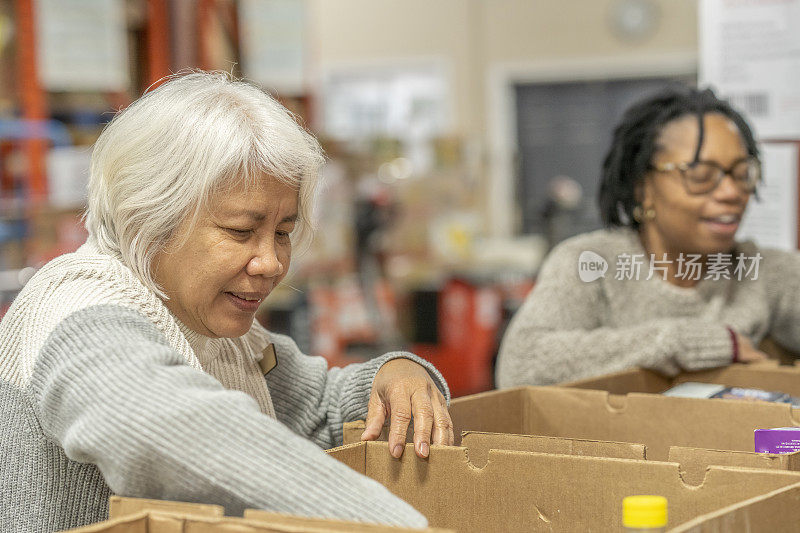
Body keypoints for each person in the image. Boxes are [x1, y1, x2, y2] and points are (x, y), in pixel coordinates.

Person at [0, 71, 453, 531]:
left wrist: (396, 373)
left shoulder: (215, 331)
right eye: (240, 232)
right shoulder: (77, 307)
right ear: (151, 218)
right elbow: (161, 431)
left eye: (282, 233)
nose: (272, 263)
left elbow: (319, 409)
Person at [496, 86, 800, 388]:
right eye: (700, 175)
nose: (732, 192)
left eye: (741, 172)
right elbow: (521, 365)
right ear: (643, 188)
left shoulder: (760, 269)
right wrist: (690, 342)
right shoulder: (589, 264)